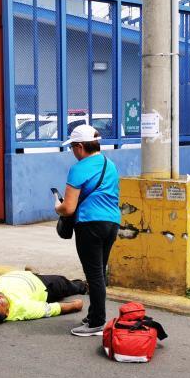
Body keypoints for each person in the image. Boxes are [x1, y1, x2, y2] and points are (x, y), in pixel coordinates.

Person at [55, 124, 120, 337]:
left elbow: (69, 208)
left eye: (73, 147)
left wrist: (58, 206)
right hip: (111, 224)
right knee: (99, 272)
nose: (72, 151)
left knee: (94, 276)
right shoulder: (109, 164)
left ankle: (96, 323)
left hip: (90, 225)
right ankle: (94, 316)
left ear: (81, 146)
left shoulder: (79, 169)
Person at [0, 270, 86, 324]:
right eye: (1, 301)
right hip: (40, 284)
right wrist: (75, 305)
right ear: (8, 312)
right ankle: (84, 286)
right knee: (63, 282)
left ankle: (30, 271)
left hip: (17, 274)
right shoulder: (23, 308)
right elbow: (52, 308)